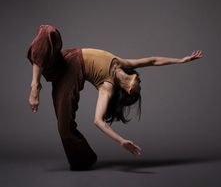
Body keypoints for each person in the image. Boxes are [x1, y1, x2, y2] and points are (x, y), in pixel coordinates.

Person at [27, 24, 203, 170]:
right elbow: (153, 60)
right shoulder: (123, 63)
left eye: (138, 88)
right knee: (49, 32)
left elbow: (98, 120)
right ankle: (35, 85)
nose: (140, 81)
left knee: (64, 128)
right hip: (65, 58)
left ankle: (84, 160)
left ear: (129, 91)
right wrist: (181, 60)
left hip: (71, 75)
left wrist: (121, 141)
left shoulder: (107, 86)